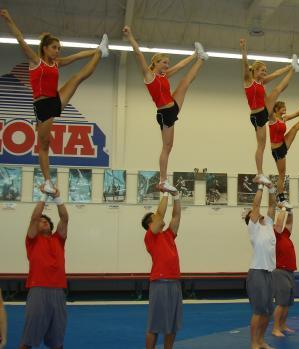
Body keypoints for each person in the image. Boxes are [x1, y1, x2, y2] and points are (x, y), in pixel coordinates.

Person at [0, 9, 109, 194]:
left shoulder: (57, 63)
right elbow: (20, 39)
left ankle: (101, 52)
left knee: (77, 78)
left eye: (59, 48)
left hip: (55, 99)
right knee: (44, 145)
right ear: (45, 48)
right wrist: (9, 19)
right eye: (54, 48)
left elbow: (77, 56)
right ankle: (48, 181)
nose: (57, 51)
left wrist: (95, 50)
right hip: (42, 106)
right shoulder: (36, 61)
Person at [123, 25, 208, 193]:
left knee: (185, 82)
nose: (167, 65)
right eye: (164, 62)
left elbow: (180, 66)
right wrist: (130, 37)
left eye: (168, 63)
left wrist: (192, 55)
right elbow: (138, 54)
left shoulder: (164, 75)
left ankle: (201, 58)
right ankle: (163, 180)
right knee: (167, 147)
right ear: (155, 62)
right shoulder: (149, 75)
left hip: (173, 106)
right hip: (164, 113)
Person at [239, 38, 299, 187]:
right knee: (260, 146)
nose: (265, 73)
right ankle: (259, 173)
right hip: (258, 114)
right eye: (262, 71)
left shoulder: (261, 82)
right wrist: (243, 50)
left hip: (263, 113)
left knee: (278, 89)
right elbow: (246, 66)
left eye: (266, 71)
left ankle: (293, 68)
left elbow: (277, 73)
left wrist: (288, 67)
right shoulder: (249, 80)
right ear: (255, 71)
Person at [20, 186, 69, 349]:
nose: (44, 221)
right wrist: (44, 196)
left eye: (46, 220)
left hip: (59, 291)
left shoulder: (58, 239)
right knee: (28, 340)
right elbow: (34, 218)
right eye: (41, 221)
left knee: (57, 341)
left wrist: (57, 198)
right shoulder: (32, 239)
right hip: (38, 289)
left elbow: (65, 218)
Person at [142, 191, 182, 349]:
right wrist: (165, 192)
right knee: (155, 326)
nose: (160, 219)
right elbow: (160, 213)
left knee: (172, 326)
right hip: (160, 283)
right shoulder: (150, 237)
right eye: (155, 218)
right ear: (150, 225)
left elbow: (176, 216)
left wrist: (176, 196)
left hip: (175, 283)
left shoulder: (169, 235)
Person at [244, 183, 277, 349]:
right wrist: (261, 186)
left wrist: (271, 189)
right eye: (254, 215)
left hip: (269, 273)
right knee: (258, 311)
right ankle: (253, 343)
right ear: (251, 219)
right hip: (257, 273)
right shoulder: (254, 228)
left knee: (268, 312)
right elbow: (256, 205)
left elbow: (272, 205)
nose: (258, 214)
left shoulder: (269, 225)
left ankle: (261, 340)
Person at [269, 98, 299, 208]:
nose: (285, 109)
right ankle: (281, 199)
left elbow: (296, 113)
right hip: (277, 150)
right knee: (282, 174)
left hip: (283, 143)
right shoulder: (272, 118)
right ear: (276, 109)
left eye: (285, 107)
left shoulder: (283, 119)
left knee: (296, 127)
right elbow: (268, 109)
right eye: (283, 108)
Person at [272, 208, 297, 337]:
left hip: (290, 272)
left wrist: (290, 211)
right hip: (280, 271)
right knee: (281, 303)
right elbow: (279, 223)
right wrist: (282, 208)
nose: (281, 227)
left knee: (287, 303)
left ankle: (282, 325)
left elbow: (289, 223)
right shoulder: (275, 236)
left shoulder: (285, 235)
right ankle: (275, 328)